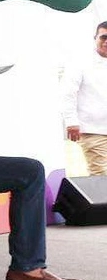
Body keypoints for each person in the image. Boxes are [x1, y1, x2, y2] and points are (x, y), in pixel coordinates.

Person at [61, 21, 107, 175]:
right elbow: (68, 94)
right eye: (103, 37)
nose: (106, 42)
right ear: (95, 37)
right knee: (101, 175)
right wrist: (71, 122)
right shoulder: (80, 62)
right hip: (93, 130)